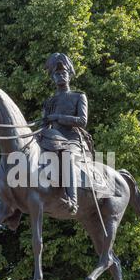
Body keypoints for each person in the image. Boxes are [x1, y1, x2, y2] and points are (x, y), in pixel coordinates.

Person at [42, 53, 92, 215]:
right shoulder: (49, 101)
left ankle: (73, 201)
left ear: (69, 75)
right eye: (57, 74)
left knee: (67, 156)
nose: (60, 76)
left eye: (63, 73)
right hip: (51, 140)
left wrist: (58, 117)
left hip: (73, 140)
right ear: (53, 78)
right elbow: (44, 124)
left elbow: (82, 121)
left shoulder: (78, 96)